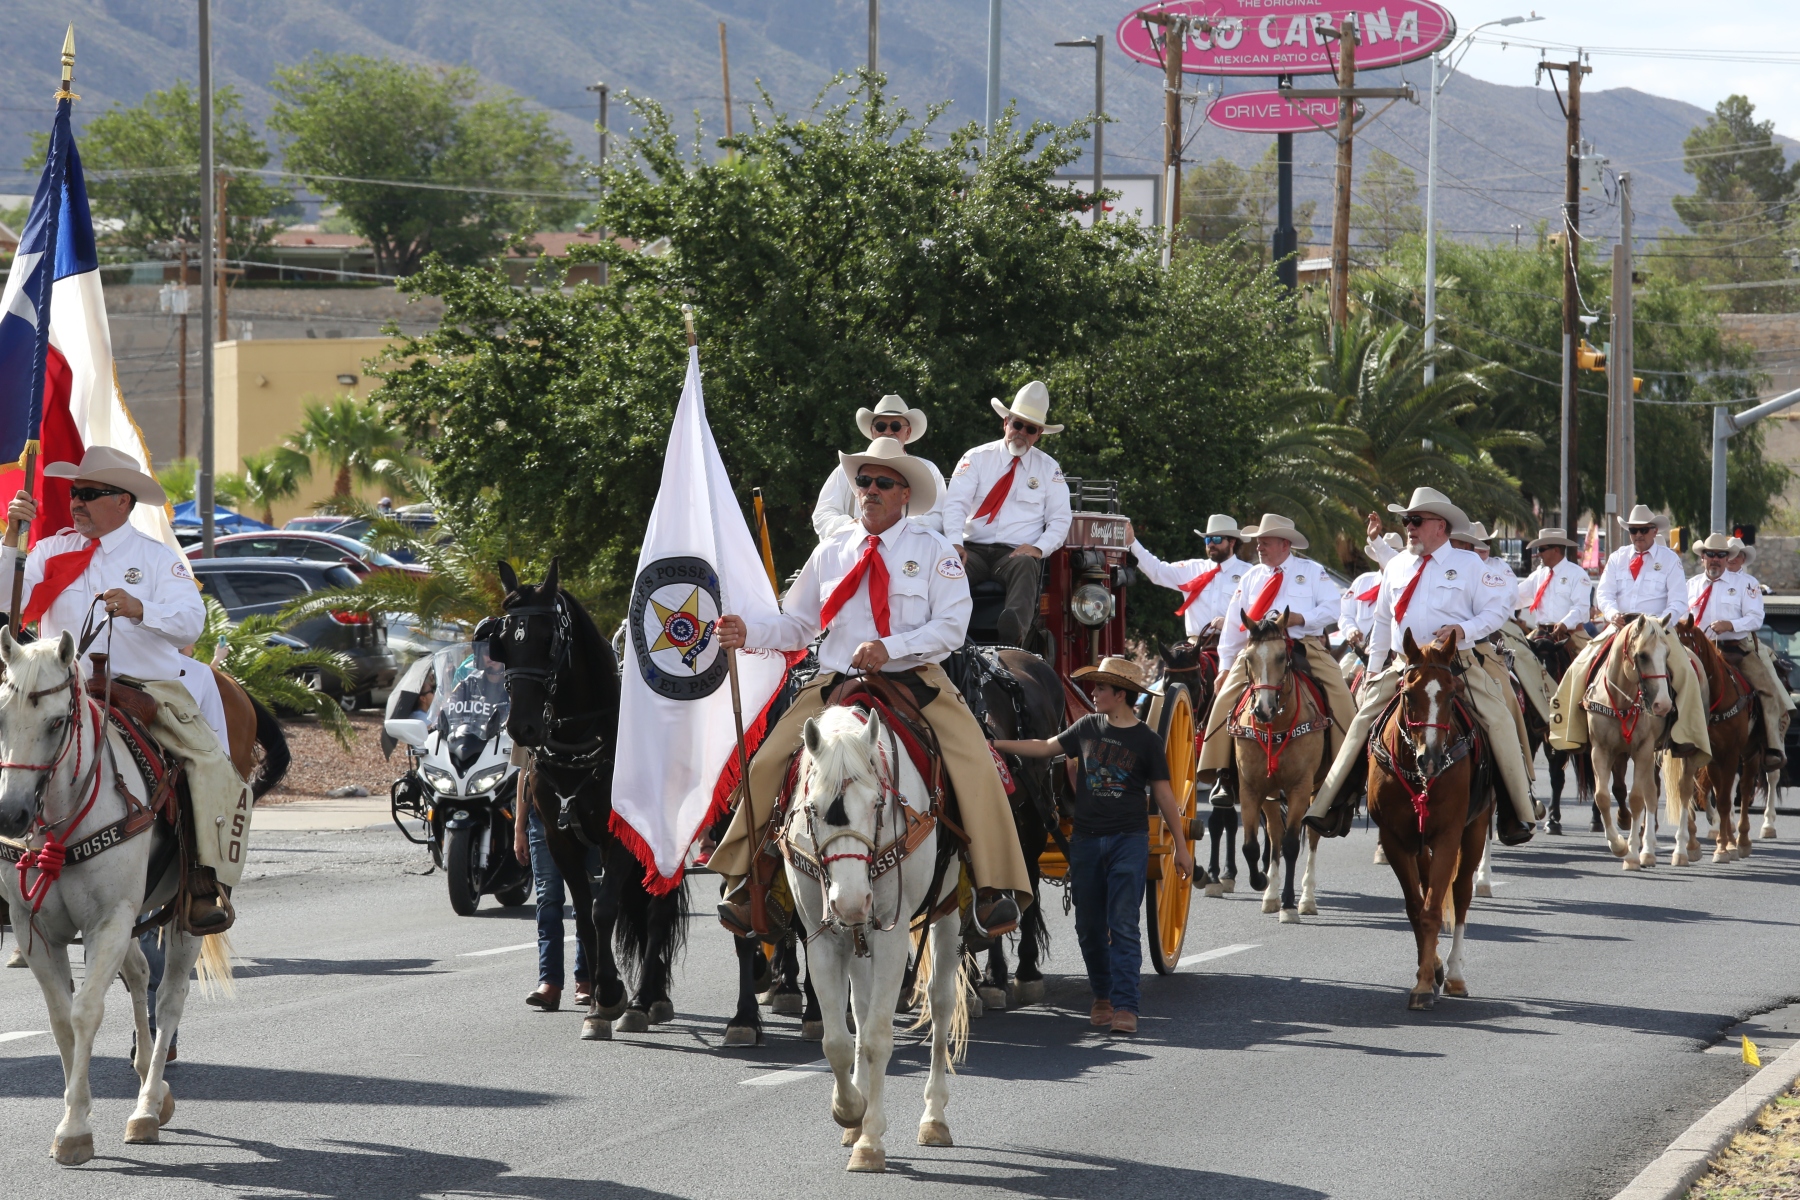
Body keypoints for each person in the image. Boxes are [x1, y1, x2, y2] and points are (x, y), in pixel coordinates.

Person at [711, 437, 1031, 938]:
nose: (870, 490)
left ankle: (988, 886)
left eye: (884, 482)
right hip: (837, 681)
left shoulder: (935, 550)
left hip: (914, 679)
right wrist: (747, 632)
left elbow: (952, 626)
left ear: (905, 494)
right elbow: (797, 625)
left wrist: (891, 647)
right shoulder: (830, 552)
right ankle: (755, 877)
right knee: (768, 761)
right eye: (863, 481)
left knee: (976, 762)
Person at [2, 447, 249, 933]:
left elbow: (191, 622)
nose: (77, 502)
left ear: (123, 501)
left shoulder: (155, 558)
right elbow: (3, 603)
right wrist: (12, 537)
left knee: (204, 764)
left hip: (143, 688)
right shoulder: (48, 550)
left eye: (90, 493)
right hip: (59, 690)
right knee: (11, 750)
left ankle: (201, 879)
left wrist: (141, 609)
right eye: (75, 492)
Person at [1303, 487, 1542, 845]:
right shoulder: (1397, 566)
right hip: (1408, 666)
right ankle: (1334, 802)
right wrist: (1373, 672)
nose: (1409, 528)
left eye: (1416, 520)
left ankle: (1515, 810)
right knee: (1362, 721)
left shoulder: (1469, 565)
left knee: (1500, 721)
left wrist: (1464, 629)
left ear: (1440, 526)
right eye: (1406, 521)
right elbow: (1382, 622)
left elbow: (1496, 611)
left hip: (1455, 664)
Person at [992, 657, 1192, 1036]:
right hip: (1085, 842)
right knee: (1088, 926)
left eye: (1100, 688)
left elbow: (1165, 795)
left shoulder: (1147, 741)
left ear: (1121, 694)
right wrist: (994, 743)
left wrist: (1181, 847)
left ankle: (1126, 1005)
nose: (1094, 693)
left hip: (1128, 842)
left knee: (1123, 924)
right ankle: (1102, 996)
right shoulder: (1086, 726)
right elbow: (1045, 747)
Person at [1194, 513, 1356, 804]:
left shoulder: (1312, 571)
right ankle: (1222, 773)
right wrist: (1226, 667)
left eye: (1265, 542)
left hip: (1303, 644)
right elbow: (1233, 625)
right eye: (1258, 542)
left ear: (1284, 544)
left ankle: (1349, 771)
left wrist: (1301, 618)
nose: (1259, 547)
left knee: (1341, 696)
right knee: (1225, 696)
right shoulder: (1251, 577)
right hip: (1259, 648)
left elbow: (1334, 608)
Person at [1547, 504, 1710, 763]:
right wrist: (1612, 614)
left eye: (1643, 530)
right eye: (1634, 530)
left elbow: (1679, 600)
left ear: (1654, 530)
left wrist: (1659, 623)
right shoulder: (1617, 558)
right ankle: (1573, 730)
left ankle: (1686, 734)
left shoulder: (1669, 560)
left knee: (1687, 672)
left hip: (1657, 631)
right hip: (1620, 628)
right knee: (1579, 667)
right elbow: (1604, 593)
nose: (1638, 535)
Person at [940, 381, 1073, 647]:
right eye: (1017, 425)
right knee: (948, 568)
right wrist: (954, 543)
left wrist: (1038, 548)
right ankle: (943, 637)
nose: (1021, 433)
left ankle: (1014, 642)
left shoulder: (1049, 469)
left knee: (1026, 564)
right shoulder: (976, 458)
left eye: (1030, 429)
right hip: (972, 550)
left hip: (1013, 555)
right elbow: (955, 504)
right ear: (1005, 423)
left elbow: (1060, 519)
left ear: (1039, 435)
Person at [1689, 533, 1787, 766]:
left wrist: (1730, 625)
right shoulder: (1690, 585)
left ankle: (1771, 745)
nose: (1715, 558)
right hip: (1697, 650)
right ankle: (1667, 737)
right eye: (1710, 554)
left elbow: (1756, 618)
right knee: (1664, 681)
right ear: (1703, 557)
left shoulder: (1746, 584)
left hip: (1734, 648)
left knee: (1768, 689)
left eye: (1720, 554)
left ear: (1727, 558)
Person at [813, 394, 946, 538]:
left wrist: (899, 529)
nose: (888, 432)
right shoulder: (846, 468)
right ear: (872, 431)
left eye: (895, 426)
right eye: (880, 426)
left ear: (908, 432)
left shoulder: (928, 469)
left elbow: (938, 517)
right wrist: (855, 527)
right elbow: (823, 514)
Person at [513, 794, 593, 1011]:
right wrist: (519, 829)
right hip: (544, 815)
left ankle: (586, 979)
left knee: (586, 899)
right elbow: (524, 777)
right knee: (548, 898)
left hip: (588, 812)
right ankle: (549, 982)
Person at [1128, 514, 1248, 639]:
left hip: (1235, 645)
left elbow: (1257, 616)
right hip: (1197, 646)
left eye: (1217, 539)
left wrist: (1230, 623)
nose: (1211, 544)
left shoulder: (1248, 573)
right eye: (1207, 539)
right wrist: (1132, 542)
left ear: (1232, 542)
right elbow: (1157, 570)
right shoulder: (1193, 568)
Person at [1517, 528, 1592, 650]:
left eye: (1541, 549)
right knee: (1517, 656)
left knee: (1590, 659)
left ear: (1556, 550)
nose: (1539, 554)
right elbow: (1515, 597)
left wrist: (1565, 623)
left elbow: (1581, 607)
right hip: (1540, 635)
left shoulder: (1577, 574)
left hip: (1571, 635)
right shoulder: (1538, 576)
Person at [1342, 530, 1404, 661]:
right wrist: (1351, 630)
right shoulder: (1362, 582)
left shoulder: (1408, 584)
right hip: (1361, 652)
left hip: (1397, 653)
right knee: (1341, 672)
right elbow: (1345, 613)